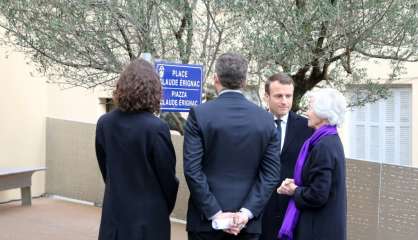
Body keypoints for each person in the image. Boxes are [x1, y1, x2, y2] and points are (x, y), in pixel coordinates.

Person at [183, 52, 281, 240]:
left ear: (215, 79)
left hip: (205, 224)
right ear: (244, 82)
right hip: (247, 225)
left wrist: (216, 214)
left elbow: (192, 170)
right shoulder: (266, 120)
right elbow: (271, 174)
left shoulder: (199, 114)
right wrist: (245, 214)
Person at [95, 59, 179, 240]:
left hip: (114, 216)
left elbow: (105, 169)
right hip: (149, 220)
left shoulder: (105, 123)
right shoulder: (156, 128)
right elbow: (167, 178)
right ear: (154, 90)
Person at [277, 88, 347, 240]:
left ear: (323, 114)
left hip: (319, 229)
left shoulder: (324, 146)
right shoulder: (330, 139)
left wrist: (294, 190)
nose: (307, 113)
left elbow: (318, 195)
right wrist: (297, 183)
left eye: (310, 108)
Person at [260, 73, 313, 240]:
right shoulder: (254, 124)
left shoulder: (307, 128)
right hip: (259, 211)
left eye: (288, 96)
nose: (284, 101)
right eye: (278, 96)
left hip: (292, 212)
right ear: (266, 96)